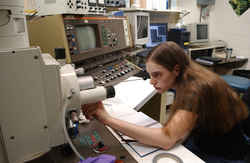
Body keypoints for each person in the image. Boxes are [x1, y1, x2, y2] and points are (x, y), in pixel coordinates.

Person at [82, 41, 249, 163]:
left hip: (222, 156)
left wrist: (108, 119)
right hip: (202, 139)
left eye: (157, 75)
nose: (152, 81)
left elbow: (167, 139)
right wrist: (170, 138)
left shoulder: (196, 89)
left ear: (175, 69)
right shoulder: (187, 79)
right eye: (151, 75)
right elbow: (181, 132)